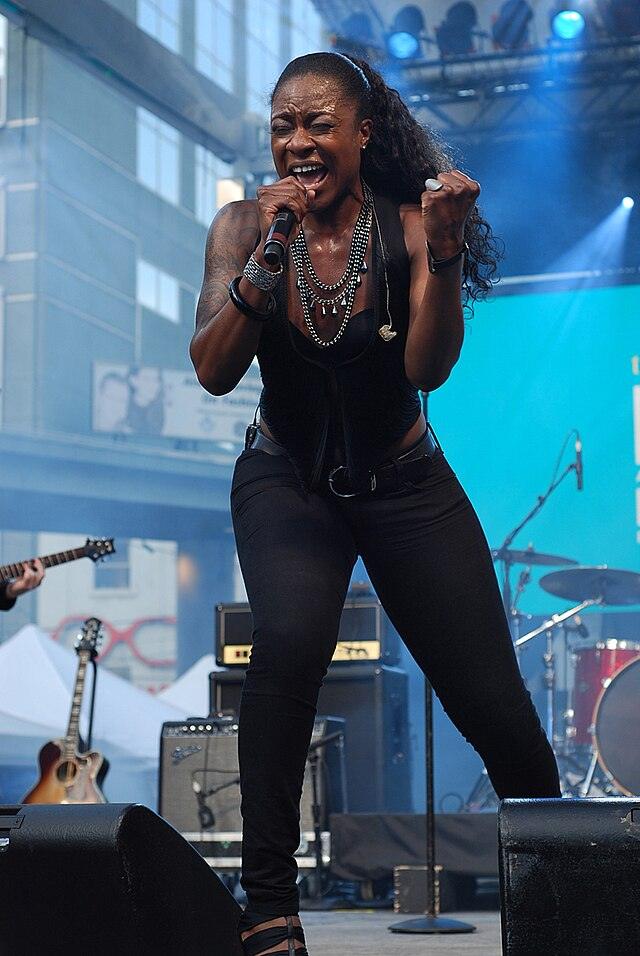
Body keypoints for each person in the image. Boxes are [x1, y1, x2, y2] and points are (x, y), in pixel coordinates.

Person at [191, 52, 561, 956]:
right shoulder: (245, 224)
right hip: (287, 480)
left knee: (495, 707)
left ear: (362, 132)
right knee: (284, 649)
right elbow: (212, 369)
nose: (299, 141)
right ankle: (269, 908)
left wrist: (441, 249)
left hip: (404, 485)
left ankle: (567, 890)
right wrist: (260, 269)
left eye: (319, 124)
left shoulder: (406, 228)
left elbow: (427, 369)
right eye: (284, 124)